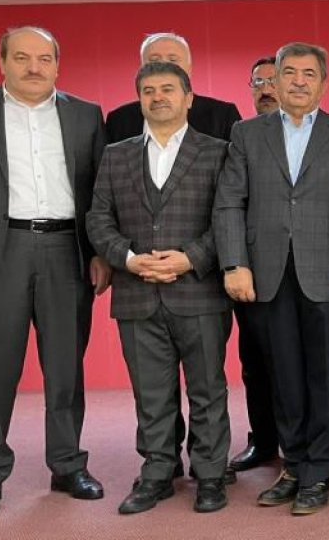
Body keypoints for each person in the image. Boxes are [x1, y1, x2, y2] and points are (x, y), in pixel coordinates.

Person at [0, 26, 111, 519]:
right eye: (23, 57)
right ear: (2, 62)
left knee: (66, 370)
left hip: (66, 251)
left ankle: (68, 465)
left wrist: (100, 252)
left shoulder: (85, 114)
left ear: (57, 64)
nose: (34, 67)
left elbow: (99, 192)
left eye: (44, 59)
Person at [214, 42, 329, 515]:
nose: (299, 81)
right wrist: (234, 263)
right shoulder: (246, 133)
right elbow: (229, 202)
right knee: (282, 377)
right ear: (276, 80)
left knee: (326, 377)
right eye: (289, 73)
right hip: (265, 273)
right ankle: (295, 464)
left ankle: (319, 471)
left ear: (324, 84)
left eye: (309, 74)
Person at [86, 61, 233, 514]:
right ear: (140, 100)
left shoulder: (219, 152)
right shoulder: (117, 155)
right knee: (150, 393)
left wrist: (192, 257)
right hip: (137, 291)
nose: (158, 97)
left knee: (207, 389)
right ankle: (157, 472)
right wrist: (129, 258)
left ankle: (210, 474)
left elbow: (230, 218)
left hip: (200, 290)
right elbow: (98, 218)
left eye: (168, 89)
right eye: (148, 90)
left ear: (189, 98)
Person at [228, 56, 281, 473]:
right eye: (257, 82)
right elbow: (230, 204)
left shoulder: (322, 136)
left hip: (308, 271)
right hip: (254, 272)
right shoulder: (241, 138)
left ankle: (309, 443)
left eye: (272, 80)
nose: (265, 88)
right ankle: (263, 440)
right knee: (256, 362)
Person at [104, 32, 242, 143]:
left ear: (189, 69)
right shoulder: (119, 121)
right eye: (154, 60)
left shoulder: (222, 116)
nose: (164, 66)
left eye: (173, 60)